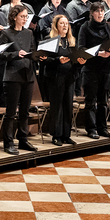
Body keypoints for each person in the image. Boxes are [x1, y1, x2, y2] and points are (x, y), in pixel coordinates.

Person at [0, 4, 37, 154]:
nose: (25, 19)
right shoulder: (6, 33)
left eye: (26, 17)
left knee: (25, 111)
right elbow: (0, 55)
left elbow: (32, 51)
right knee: (11, 112)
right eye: (22, 16)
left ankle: (23, 140)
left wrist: (38, 56)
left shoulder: (29, 33)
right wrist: (15, 54)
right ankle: (8, 143)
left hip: (28, 75)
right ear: (14, 17)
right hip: (12, 76)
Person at [77, 2, 110, 139]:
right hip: (91, 68)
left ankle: (102, 128)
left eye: (102, 11)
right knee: (90, 101)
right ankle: (91, 129)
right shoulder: (85, 27)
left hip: (106, 68)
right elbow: (81, 48)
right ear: (92, 13)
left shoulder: (108, 26)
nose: (100, 13)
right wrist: (98, 53)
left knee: (103, 101)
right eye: (97, 11)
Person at [42, 14, 80, 145]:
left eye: (66, 23)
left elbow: (76, 58)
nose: (65, 26)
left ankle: (66, 135)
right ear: (56, 25)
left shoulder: (71, 40)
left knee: (68, 106)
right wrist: (58, 60)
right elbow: (44, 59)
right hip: (55, 77)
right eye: (62, 23)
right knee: (57, 107)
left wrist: (81, 62)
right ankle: (56, 135)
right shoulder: (50, 39)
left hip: (69, 77)